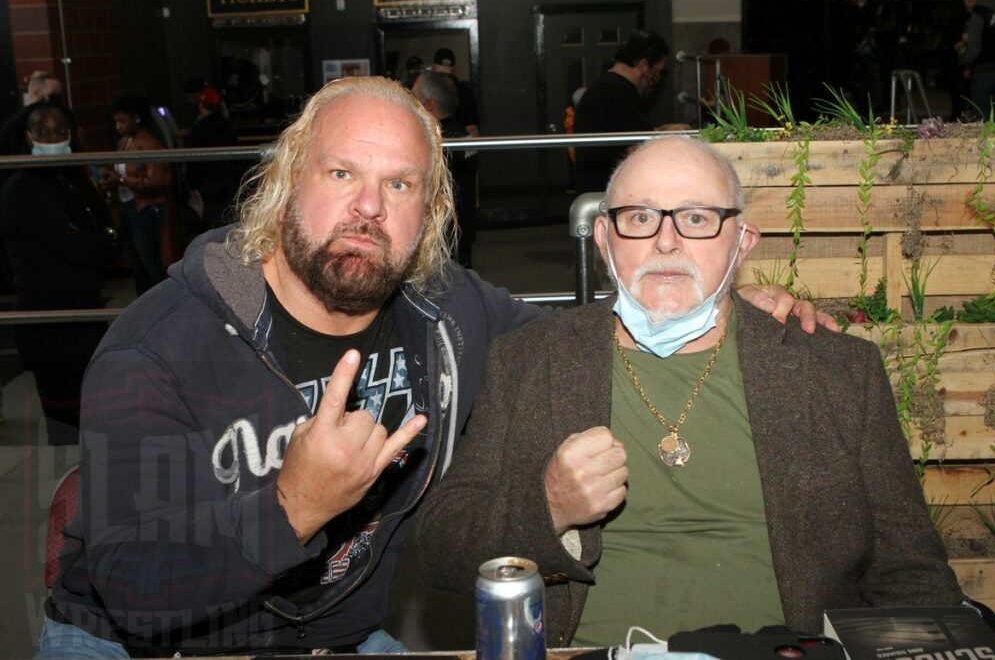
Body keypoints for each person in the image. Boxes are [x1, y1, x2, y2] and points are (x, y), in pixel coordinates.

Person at [39, 77, 828, 657]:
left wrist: (724, 302)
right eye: (341, 173)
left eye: (400, 184)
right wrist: (291, 505)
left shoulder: (449, 311)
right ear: (285, 186)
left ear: (430, 215)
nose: (368, 208)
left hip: (345, 640)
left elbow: (583, 341)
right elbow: (128, 585)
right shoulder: (161, 343)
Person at [415, 135, 964, 647]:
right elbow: (441, 548)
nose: (667, 240)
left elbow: (912, 574)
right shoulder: (530, 361)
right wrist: (550, 507)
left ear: (742, 243)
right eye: (639, 217)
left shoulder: (837, 373)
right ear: (604, 241)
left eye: (697, 218)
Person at [0, 103, 118, 444]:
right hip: (50, 325)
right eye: (42, 132)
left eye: (60, 131)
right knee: (68, 434)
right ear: (28, 137)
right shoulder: (23, 189)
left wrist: (95, 239)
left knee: (97, 425)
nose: (52, 139)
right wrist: (93, 239)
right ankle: (69, 497)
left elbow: (110, 242)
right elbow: (81, 247)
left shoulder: (73, 179)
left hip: (85, 318)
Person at [573, 29, 677, 193]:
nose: (655, 80)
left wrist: (663, 131)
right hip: (605, 192)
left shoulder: (608, 86)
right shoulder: (618, 91)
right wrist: (672, 136)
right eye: (656, 71)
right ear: (643, 66)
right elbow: (639, 146)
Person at [99, 94, 173, 296]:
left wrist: (121, 180)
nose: (118, 126)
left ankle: (163, 305)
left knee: (151, 264)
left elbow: (158, 182)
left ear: (136, 118)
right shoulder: (125, 142)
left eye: (122, 121)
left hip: (145, 208)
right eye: (116, 122)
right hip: (130, 206)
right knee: (138, 265)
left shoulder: (148, 143)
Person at [412, 70, 478, 267]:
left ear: (429, 104)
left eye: (413, 97)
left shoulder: (436, 143)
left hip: (440, 237)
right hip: (461, 230)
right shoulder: (464, 135)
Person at [181, 86, 240, 235]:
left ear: (201, 105)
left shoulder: (199, 129)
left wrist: (190, 184)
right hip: (228, 184)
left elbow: (193, 161)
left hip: (206, 187)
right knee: (228, 224)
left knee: (210, 229)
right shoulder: (228, 125)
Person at [430, 47, 480, 136]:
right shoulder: (464, 91)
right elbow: (472, 129)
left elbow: (472, 128)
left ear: (433, 68)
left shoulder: (428, 91)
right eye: (441, 75)